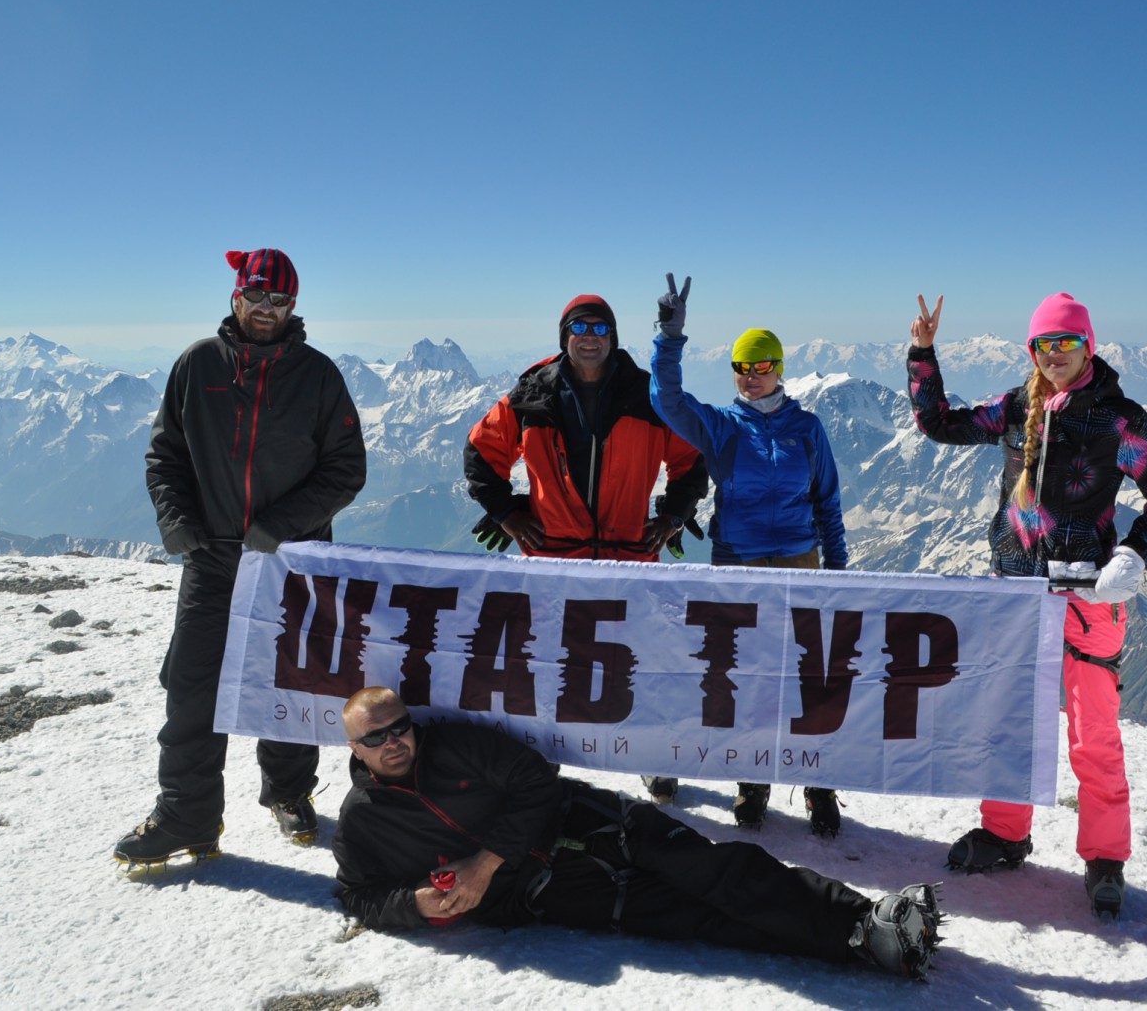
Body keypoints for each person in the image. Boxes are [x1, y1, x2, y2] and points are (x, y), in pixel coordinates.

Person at [331, 687, 942, 979]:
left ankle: (864, 920)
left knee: (713, 869)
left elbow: (537, 782)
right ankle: (863, 944)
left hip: (589, 822)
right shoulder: (363, 821)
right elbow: (358, 894)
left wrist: (484, 862)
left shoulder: (455, 746)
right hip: (546, 889)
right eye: (376, 737)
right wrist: (414, 904)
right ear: (354, 749)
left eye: (400, 727)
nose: (394, 742)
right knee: (690, 916)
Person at [906, 290, 1147, 918]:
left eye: (1067, 342)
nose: (1055, 353)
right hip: (1015, 595)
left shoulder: (1118, 420)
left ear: (1088, 345)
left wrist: (1136, 553)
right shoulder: (1015, 408)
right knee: (1008, 723)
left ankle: (1105, 859)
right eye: (1044, 344)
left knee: (1094, 736)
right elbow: (938, 424)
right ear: (1031, 350)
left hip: (1086, 597)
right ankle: (1005, 834)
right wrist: (923, 353)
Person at [114, 248, 368, 866]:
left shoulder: (317, 375)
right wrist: (175, 520)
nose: (266, 309)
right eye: (256, 296)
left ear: (292, 306)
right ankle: (188, 817)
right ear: (236, 296)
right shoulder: (197, 364)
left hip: (293, 561)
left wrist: (279, 528)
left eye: (278, 300)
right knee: (192, 687)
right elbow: (166, 455)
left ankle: (289, 793)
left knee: (289, 681)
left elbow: (346, 469)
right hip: (211, 558)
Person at [647, 273, 849, 835]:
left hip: (800, 562)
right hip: (738, 562)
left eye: (763, 365)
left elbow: (827, 501)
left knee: (808, 676)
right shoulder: (722, 427)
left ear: (780, 368)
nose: (752, 375)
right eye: (743, 366)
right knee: (745, 675)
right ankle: (753, 781)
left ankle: (818, 783)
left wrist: (839, 571)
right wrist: (669, 337)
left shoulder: (806, 428)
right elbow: (666, 400)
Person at [463, 293, 708, 564]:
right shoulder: (533, 395)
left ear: (611, 337)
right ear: (565, 336)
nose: (590, 336)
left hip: (628, 562)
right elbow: (480, 450)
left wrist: (675, 513)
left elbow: (692, 455)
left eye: (600, 328)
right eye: (579, 327)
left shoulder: (645, 396)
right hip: (552, 562)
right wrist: (505, 512)